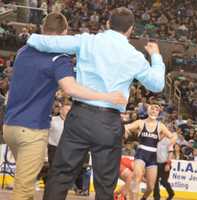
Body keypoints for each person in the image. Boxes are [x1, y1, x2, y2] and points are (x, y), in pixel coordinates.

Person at [27, 7, 166, 200]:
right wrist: (156, 56)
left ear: (108, 23)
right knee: (105, 183)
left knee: (60, 175)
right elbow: (157, 84)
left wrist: (30, 38)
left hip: (80, 116)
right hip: (108, 122)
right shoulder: (134, 56)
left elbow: (49, 42)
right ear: (130, 30)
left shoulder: (87, 41)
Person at [2, 12, 126, 200]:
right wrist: (106, 96)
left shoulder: (23, 51)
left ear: (44, 29)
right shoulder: (58, 58)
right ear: (65, 33)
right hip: (32, 130)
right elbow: (71, 88)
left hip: (10, 127)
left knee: (24, 182)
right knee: (24, 190)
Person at [126, 104, 177, 200]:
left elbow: (173, 135)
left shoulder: (160, 126)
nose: (154, 111)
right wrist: (125, 130)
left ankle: (143, 198)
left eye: (156, 110)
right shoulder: (140, 122)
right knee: (137, 177)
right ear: (148, 111)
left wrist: (173, 139)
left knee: (150, 187)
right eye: (152, 109)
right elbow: (127, 126)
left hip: (153, 156)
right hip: (141, 153)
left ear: (158, 113)